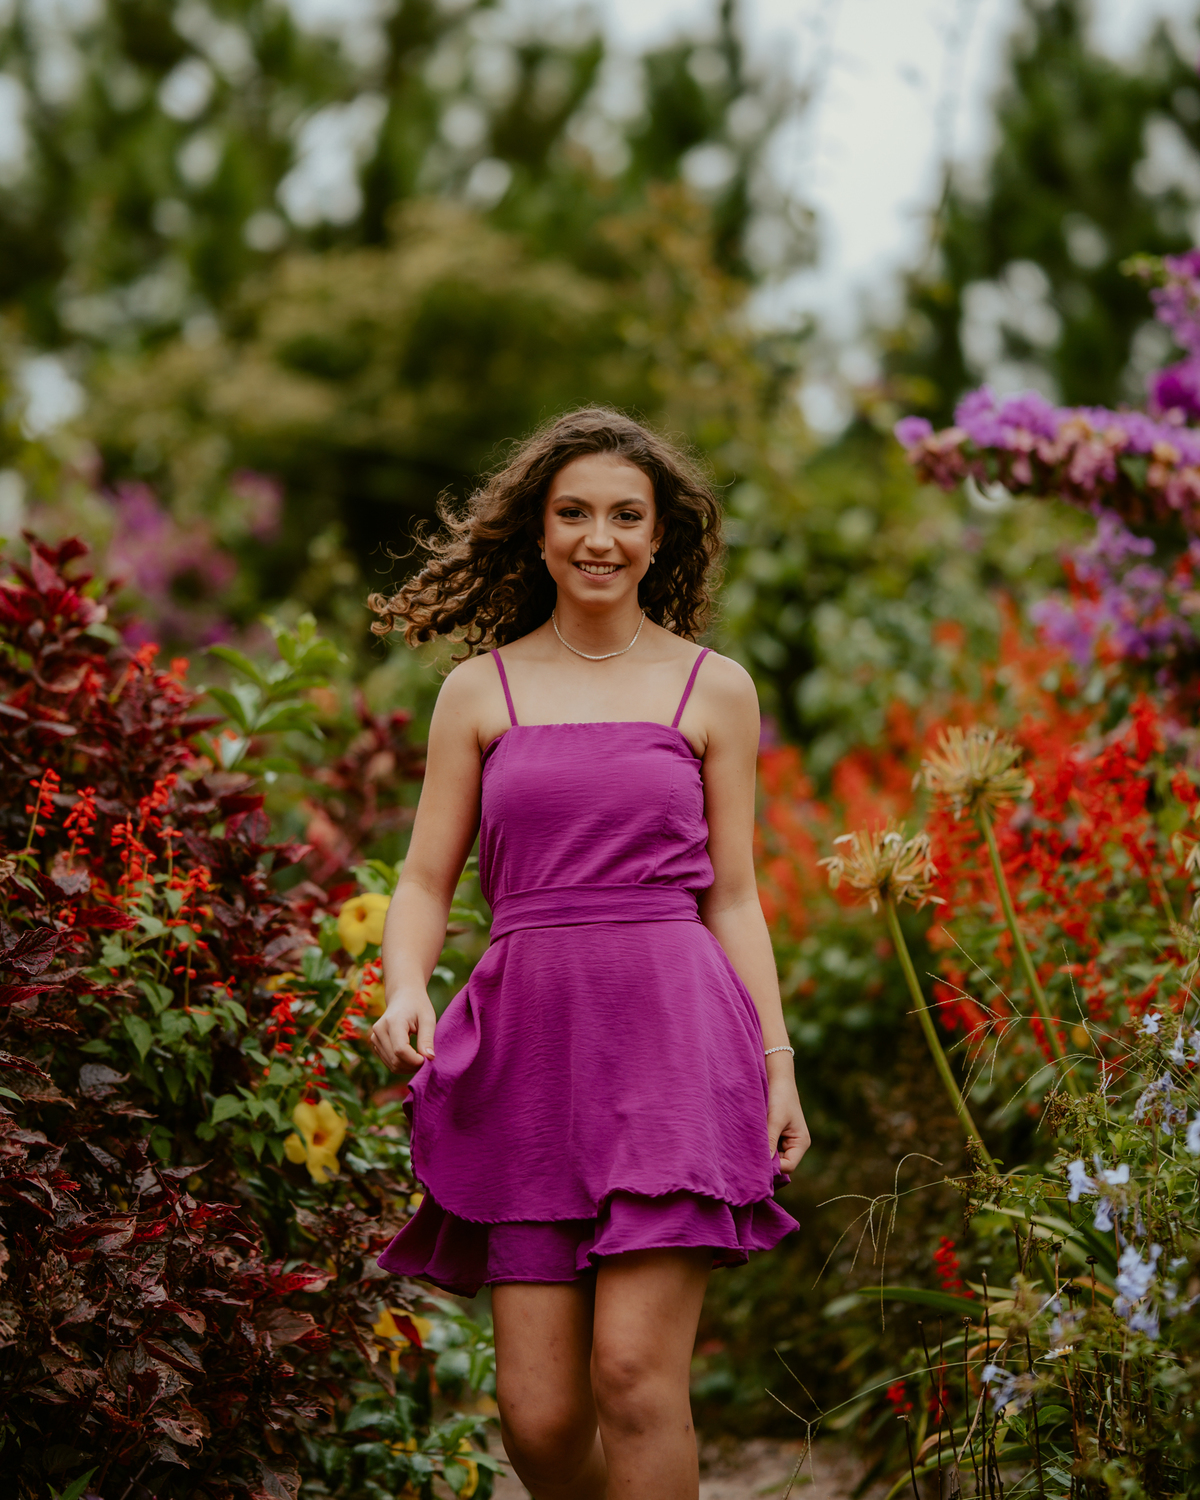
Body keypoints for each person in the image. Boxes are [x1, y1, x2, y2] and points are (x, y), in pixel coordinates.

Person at [367, 407, 809, 1500]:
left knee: (635, 1378)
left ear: (662, 540)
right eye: (574, 513)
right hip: (526, 1055)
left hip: (673, 1044)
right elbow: (425, 880)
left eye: (625, 516)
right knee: (542, 1416)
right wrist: (404, 986)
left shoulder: (716, 688)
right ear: (538, 531)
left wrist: (778, 1065)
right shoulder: (481, 691)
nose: (598, 538)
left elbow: (737, 898)